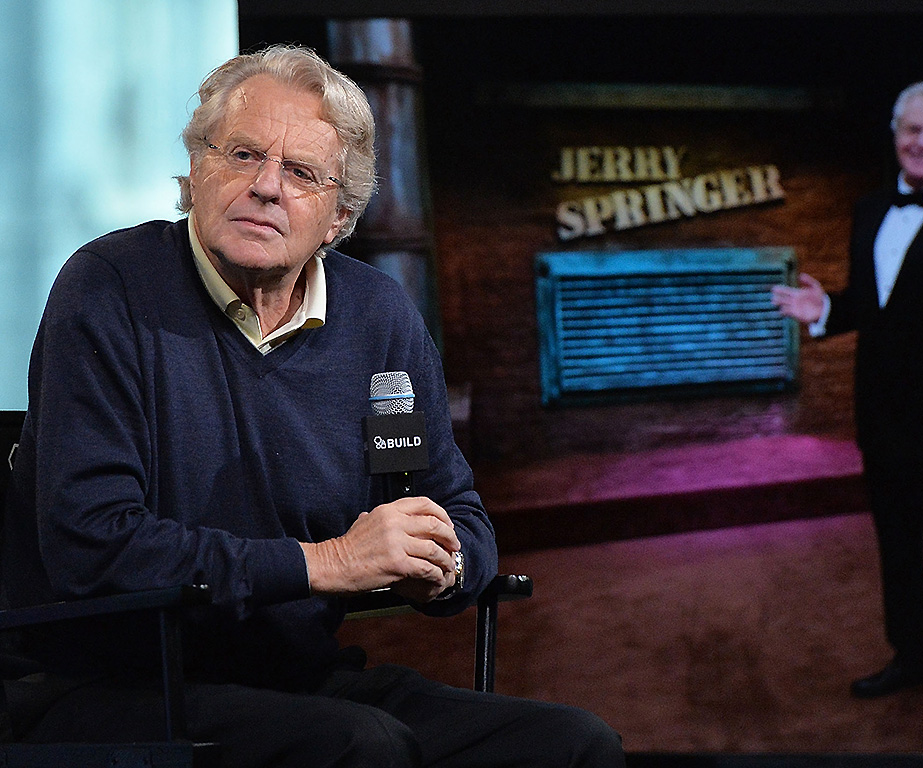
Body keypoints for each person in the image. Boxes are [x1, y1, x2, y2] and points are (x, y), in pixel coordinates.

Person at [1, 44, 625, 768]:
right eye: (241, 154)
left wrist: (443, 563)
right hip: (109, 685)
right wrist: (327, 562)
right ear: (195, 172)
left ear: (339, 216)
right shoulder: (109, 287)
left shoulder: (378, 316)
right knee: (363, 745)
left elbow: (460, 514)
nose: (266, 187)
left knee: (573, 743)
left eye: (300, 173)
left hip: (298, 682)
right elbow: (95, 547)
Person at [771, 79, 923, 745]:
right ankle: (913, 656)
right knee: (897, 551)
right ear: (897, 133)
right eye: (914, 129)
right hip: (881, 418)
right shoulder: (870, 210)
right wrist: (827, 313)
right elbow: (877, 307)